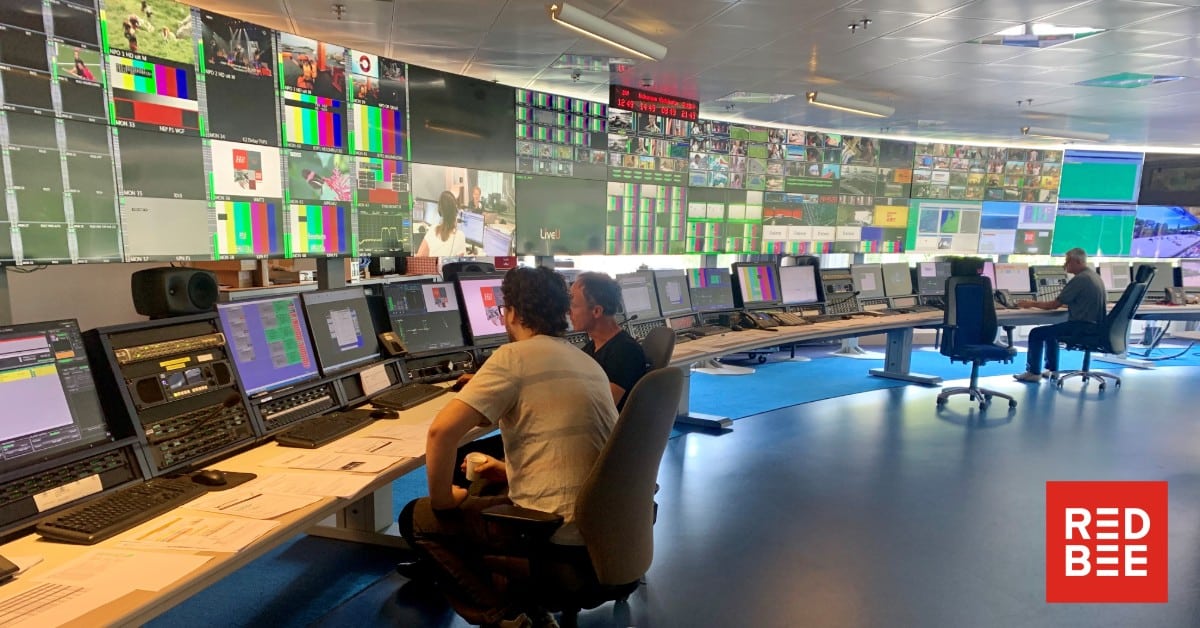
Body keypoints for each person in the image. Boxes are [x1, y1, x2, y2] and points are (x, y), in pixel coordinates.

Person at [398, 267, 617, 628]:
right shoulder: (587, 362)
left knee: (419, 518)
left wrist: (443, 500)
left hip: (554, 535)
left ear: (511, 312)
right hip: (603, 532)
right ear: (563, 311)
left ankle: (505, 617)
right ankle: (528, 608)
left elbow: (440, 434)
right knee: (492, 485)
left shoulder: (513, 358)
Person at [1013, 247, 1107, 382]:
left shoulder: (1080, 279)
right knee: (1052, 331)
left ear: (1078, 262)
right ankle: (1053, 370)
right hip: (1093, 325)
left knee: (1036, 333)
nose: (1064, 265)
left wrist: (1030, 303)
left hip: (1081, 326)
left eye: (1067, 261)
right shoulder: (1093, 276)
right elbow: (1077, 301)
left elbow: (1053, 305)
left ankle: (1033, 372)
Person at [570, 272, 649, 411]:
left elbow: (602, 409)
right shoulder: (593, 347)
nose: (568, 312)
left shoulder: (625, 352)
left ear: (596, 311)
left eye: (574, 306)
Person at [417, 191, 467, 257]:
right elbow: (459, 265)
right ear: (455, 211)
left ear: (440, 211)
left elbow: (419, 256)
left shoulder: (433, 230)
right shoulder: (460, 236)